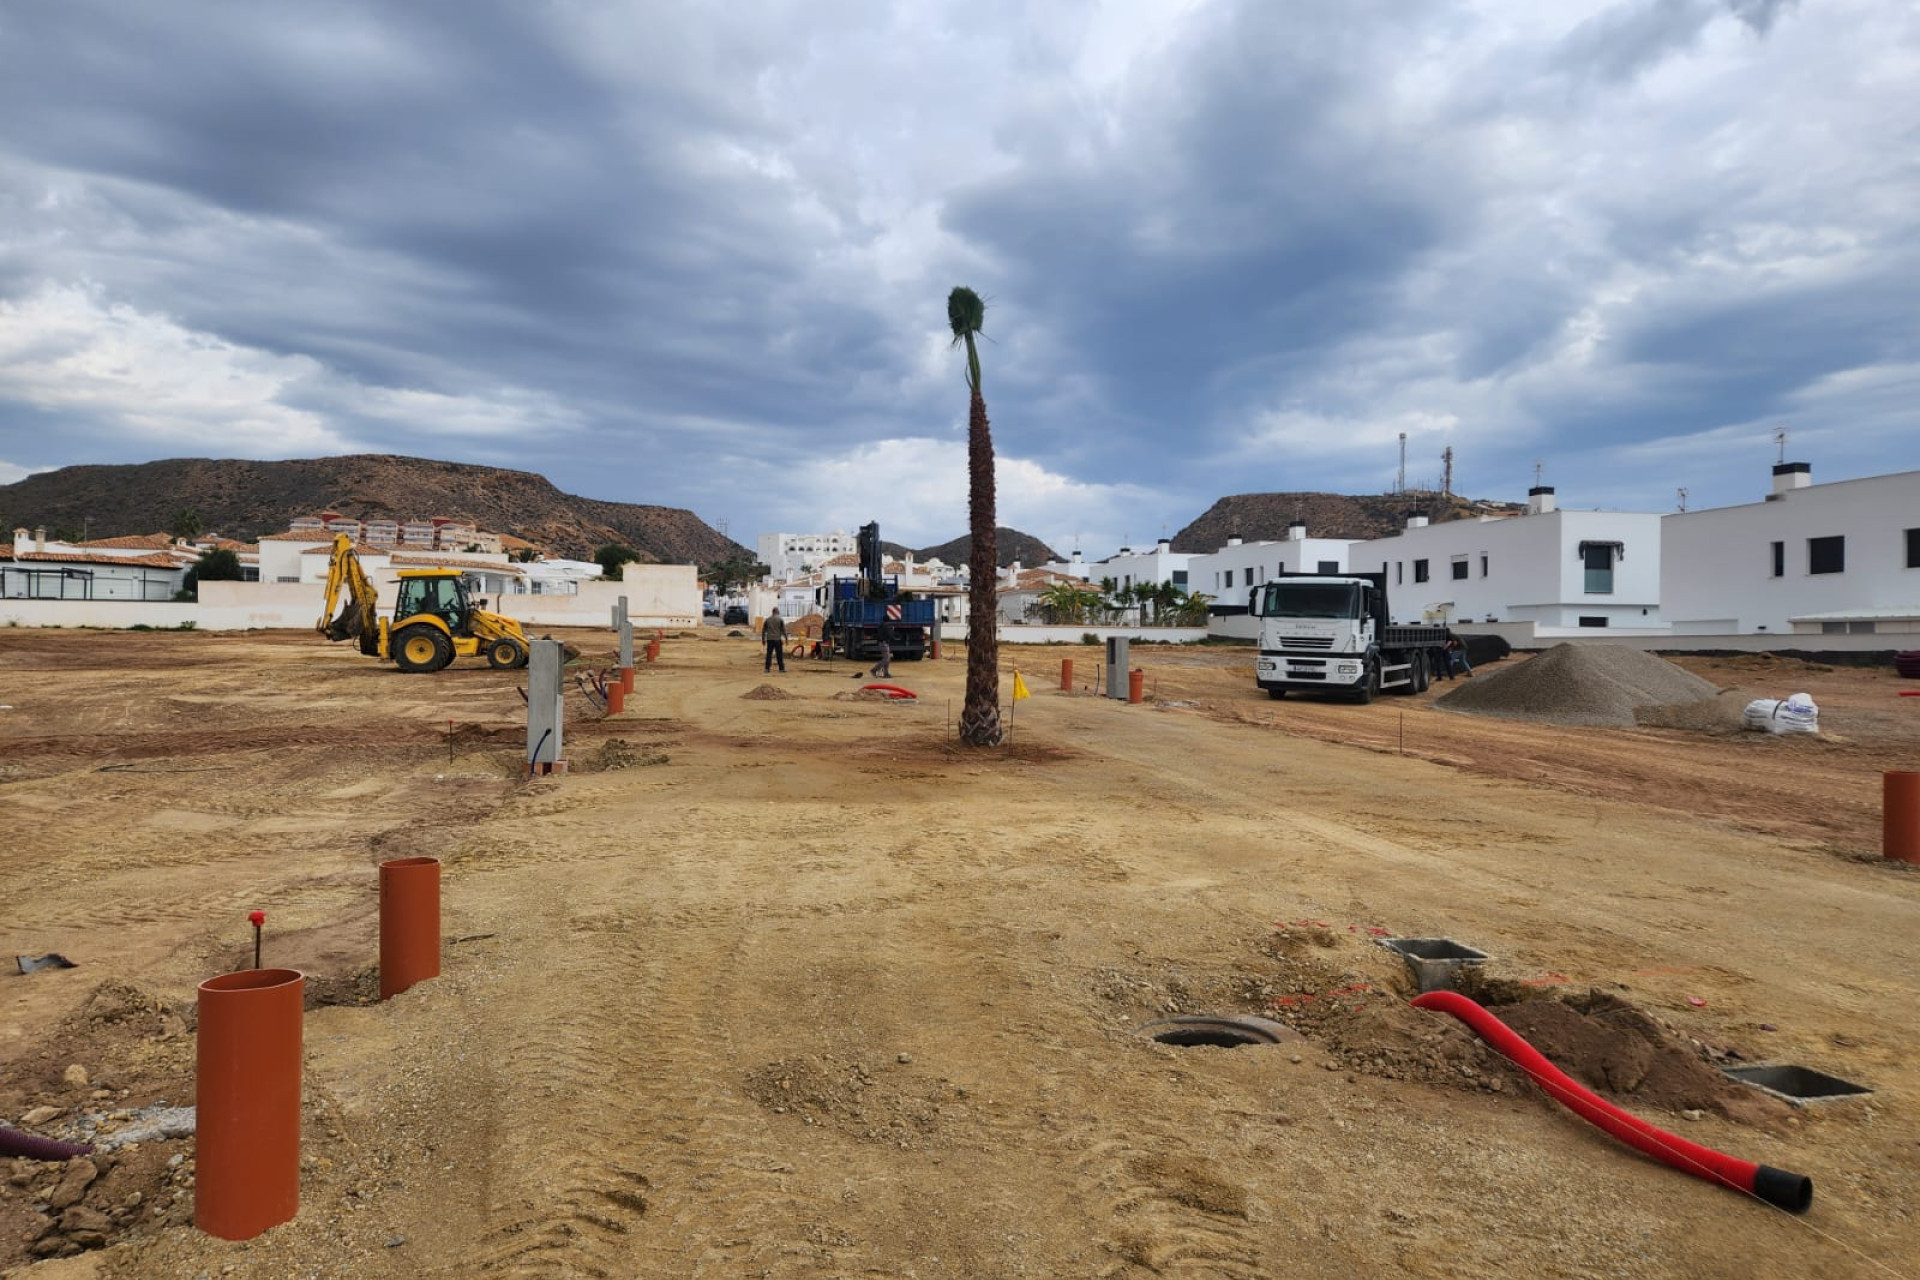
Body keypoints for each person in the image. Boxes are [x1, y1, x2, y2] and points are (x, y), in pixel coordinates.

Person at [761, 608, 787, 673]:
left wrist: (763, 639)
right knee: (779, 655)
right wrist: (786, 638)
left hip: (769, 639)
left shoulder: (767, 620)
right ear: (777, 612)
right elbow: (783, 630)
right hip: (777, 640)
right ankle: (781, 669)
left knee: (769, 654)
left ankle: (767, 669)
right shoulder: (780, 619)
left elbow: (763, 630)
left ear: (772, 612)